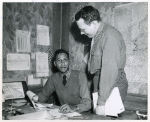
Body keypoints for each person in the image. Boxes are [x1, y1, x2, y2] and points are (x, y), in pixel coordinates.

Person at [75, 6, 128, 115]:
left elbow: (109, 72)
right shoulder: (97, 34)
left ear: (93, 24)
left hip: (111, 86)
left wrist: (101, 102)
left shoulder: (109, 37)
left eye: (83, 29)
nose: (81, 33)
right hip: (100, 84)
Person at [32, 49, 91, 113]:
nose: (62, 64)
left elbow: (88, 103)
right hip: (65, 114)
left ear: (69, 61)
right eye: (59, 60)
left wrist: (74, 108)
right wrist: (35, 98)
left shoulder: (80, 76)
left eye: (65, 60)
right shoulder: (53, 78)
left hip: (81, 114)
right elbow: (44, 95)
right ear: (55, 63)